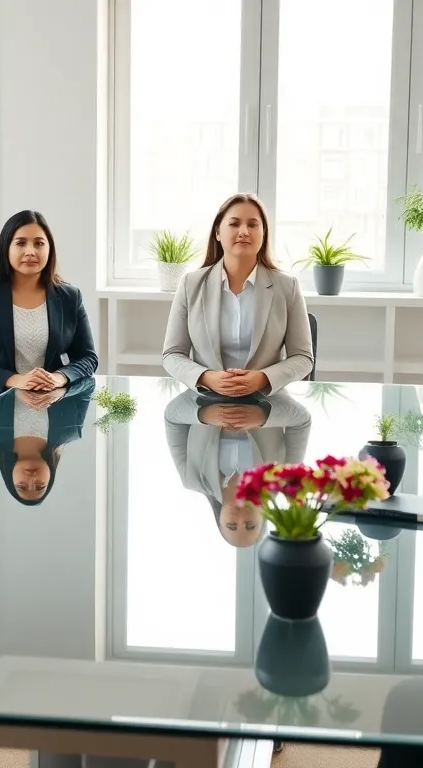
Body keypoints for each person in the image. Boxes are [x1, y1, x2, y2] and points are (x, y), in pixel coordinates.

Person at [161, 194, 314, 396]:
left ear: (264, 233)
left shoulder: (288, 286)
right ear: (218, 232)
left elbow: (303, 358)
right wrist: (206, 377)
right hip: (205, 405)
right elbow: (172, 354)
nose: (244, 232)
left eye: (253, 225)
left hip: (266, 408)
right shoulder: (191, 284)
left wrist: (263, 378)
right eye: (234, 224)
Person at [0, 210, 98, 401]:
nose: (30, 251)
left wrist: (59, 377)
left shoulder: (70, 297)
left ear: (49, 249)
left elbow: (88, 358)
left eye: (39, 243)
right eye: (21, 243)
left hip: (55, 405)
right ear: (6, 247)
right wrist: (17, 380)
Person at [164, 390, 311, 548]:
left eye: (231, 525)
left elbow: (172, 417)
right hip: (261, 378)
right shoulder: (283, 478)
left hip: (210, 378)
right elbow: (301, 421)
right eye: (250, 525)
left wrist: (203, 414)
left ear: (219, 519)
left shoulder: (191, 478)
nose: (240, 519)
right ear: (263, 517)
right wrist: (264, 416)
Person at [0, 376, 95, 505]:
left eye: (22, 486)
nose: (31, 479)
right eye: (39, 486)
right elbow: (89, 383)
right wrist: (62, 392)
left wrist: (15, 384)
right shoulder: (69, 430)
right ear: (50, 478)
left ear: (10, 479)